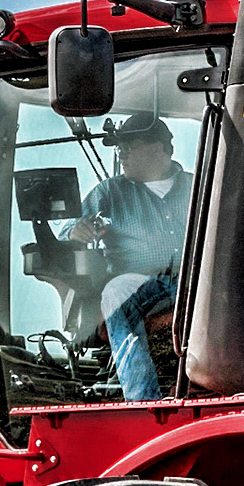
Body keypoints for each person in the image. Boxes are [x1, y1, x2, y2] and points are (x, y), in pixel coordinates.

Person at [79, 112, 195, 400]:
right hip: (142, 284)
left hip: (197, 282)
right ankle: (143, 399)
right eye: (120, 149)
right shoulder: (109, 192)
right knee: (116, 291)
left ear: (158, 149)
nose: (121, 155)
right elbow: (68, 227)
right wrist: (77, 229)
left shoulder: (199, 187)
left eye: (129, 147)